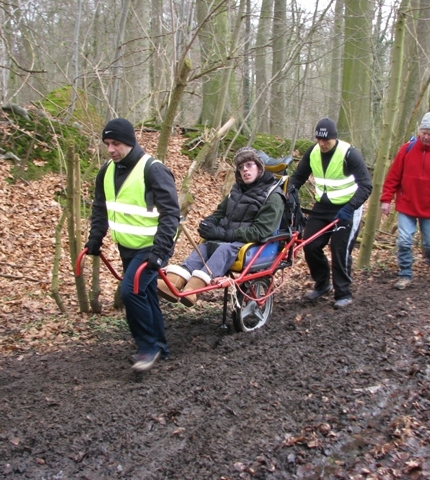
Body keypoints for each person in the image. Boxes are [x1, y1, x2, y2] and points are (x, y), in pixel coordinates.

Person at [85, 118, 180, 371]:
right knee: (146, 295)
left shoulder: (153, 169)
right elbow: (100, 207)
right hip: (127, 247)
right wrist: (95, 238)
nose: (111, 149)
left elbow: (171, 214)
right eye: (107, 144)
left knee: (131, 292)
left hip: (152, 247)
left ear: (129, 142)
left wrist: (160, 252)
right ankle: (160, 346)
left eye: (116, 143)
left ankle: (147, 349)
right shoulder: (106, 171)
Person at [157, 147, 284, 307]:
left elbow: (261, 231)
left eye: (249, 165)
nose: (245, 170)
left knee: (224, 249)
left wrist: (223, 234)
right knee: (204, 247)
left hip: (251, 244)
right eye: (241, 167)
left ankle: (194, 290)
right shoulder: (237, 189)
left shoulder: (273, 195)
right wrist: (208, 223)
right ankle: (174, 283)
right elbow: (220, 212)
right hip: (227, 239)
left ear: (259, 167)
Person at [288, 118, 372, 309]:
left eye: (326, 140)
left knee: (339, 249)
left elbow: (366, 185)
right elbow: (298, 177)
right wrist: (288, 194)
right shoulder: (313, 152)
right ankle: (322, 284)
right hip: (322, 207)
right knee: (310, 244)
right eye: (319, 139)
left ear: (334, 138)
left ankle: (343, 292)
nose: (322, 143)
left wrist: (349, 208)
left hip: (347, 208)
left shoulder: (349, 154)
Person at [380, 112, 430, 290]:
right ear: (419, 132)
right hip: (407, 204)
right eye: (425, 133)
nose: (427, 137)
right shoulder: (407, 149)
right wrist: (386, 199)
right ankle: (405, 273)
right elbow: (393, 176)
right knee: (404, 241)